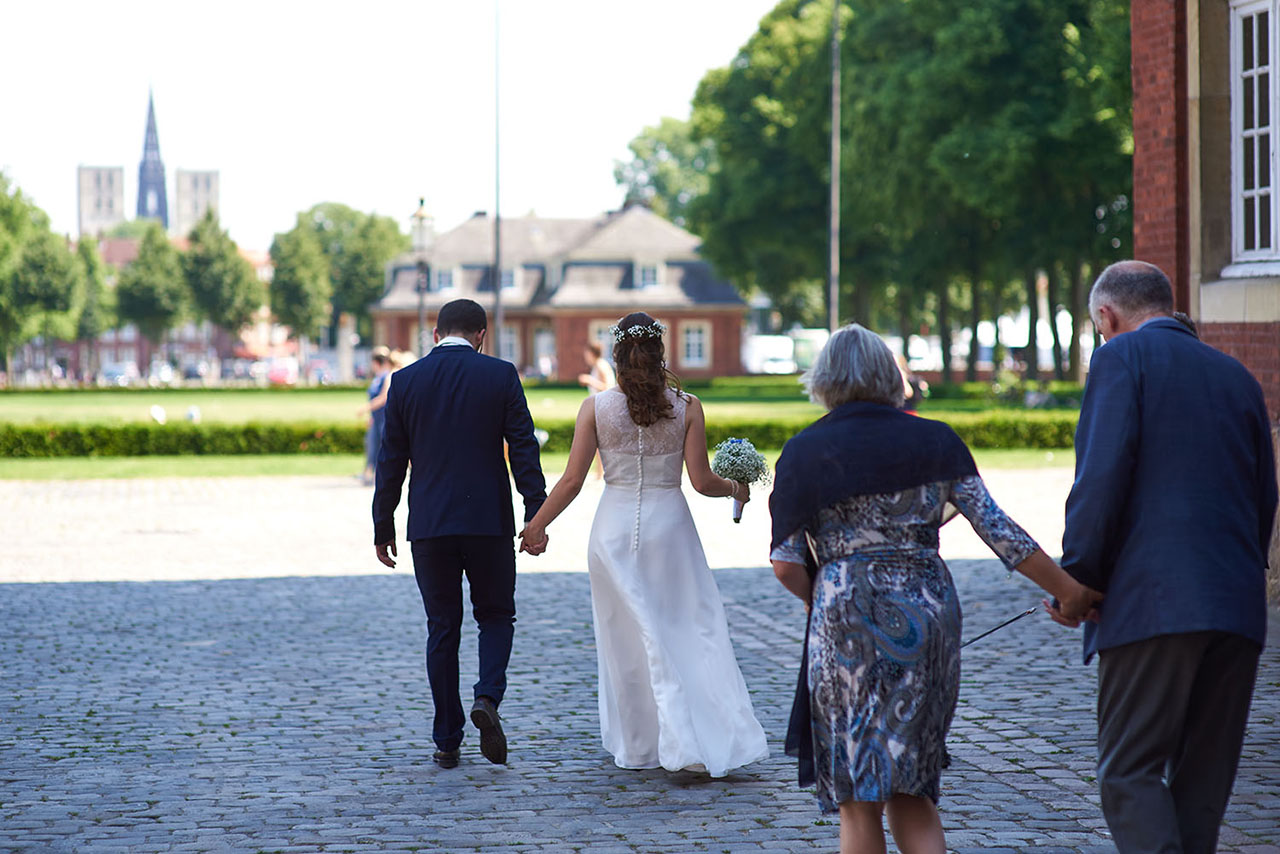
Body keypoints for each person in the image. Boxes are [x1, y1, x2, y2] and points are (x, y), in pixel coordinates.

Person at [769, 323, 1102, 854]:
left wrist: (828, 598)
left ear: (824, 380)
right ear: (890, 377)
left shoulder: (804, 451)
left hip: (842, 618)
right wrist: (1070, 591)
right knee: (913, 787)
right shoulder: (936, 439)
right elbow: (999, 529)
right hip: (928, 612)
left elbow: (786, 564)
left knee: (859, 799)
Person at [1048, 261, 1277, 854]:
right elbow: (1264, 497)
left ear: (1107, 316)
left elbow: (1100, 478)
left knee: (1128, 770)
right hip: (1237, 605)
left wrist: (1079, 581)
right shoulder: (1237, 376)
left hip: (1152, 601)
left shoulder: (1120, 358)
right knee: (1203, 784)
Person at [517, 312, 769, 777]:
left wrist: (536, 525)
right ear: (660, 355)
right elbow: (701, 481)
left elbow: (572, 480)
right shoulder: (687, 405)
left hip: (611, 532)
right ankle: (695, 737)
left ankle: (641, 747)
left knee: (626, 641)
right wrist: (737, 488)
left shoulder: (595, 407)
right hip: (669, 530)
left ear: (617, 355)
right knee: (690, 629)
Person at [373, 298, 548, 770]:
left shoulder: (405, 381)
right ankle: (487, 697)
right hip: (489, 521)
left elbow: (390, 460)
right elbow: (524, 446)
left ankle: (447, 739)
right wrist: (537, 513)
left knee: (442, 628)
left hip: (429, 525)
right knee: (495, 616)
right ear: (482, 336)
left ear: (435, 334)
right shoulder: (500, 375)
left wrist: (382, 523)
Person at [577, 341, 616, 478]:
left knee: (601, 441)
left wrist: (589, 380)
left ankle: (601, 473)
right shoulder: (599, 365)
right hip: (598, 407)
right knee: (598, 441)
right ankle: (599, 473)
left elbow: (608, 387)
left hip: (603, 407)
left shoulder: (601, 365)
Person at [358, 347, 392, 486]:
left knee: (382, 448)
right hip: (376, 419)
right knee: (371, 445)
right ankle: (369, 473)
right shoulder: (377, 378)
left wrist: (366, 408)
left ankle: (378, 476)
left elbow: (384, 398)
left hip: (384, 419)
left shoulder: (387, 376)